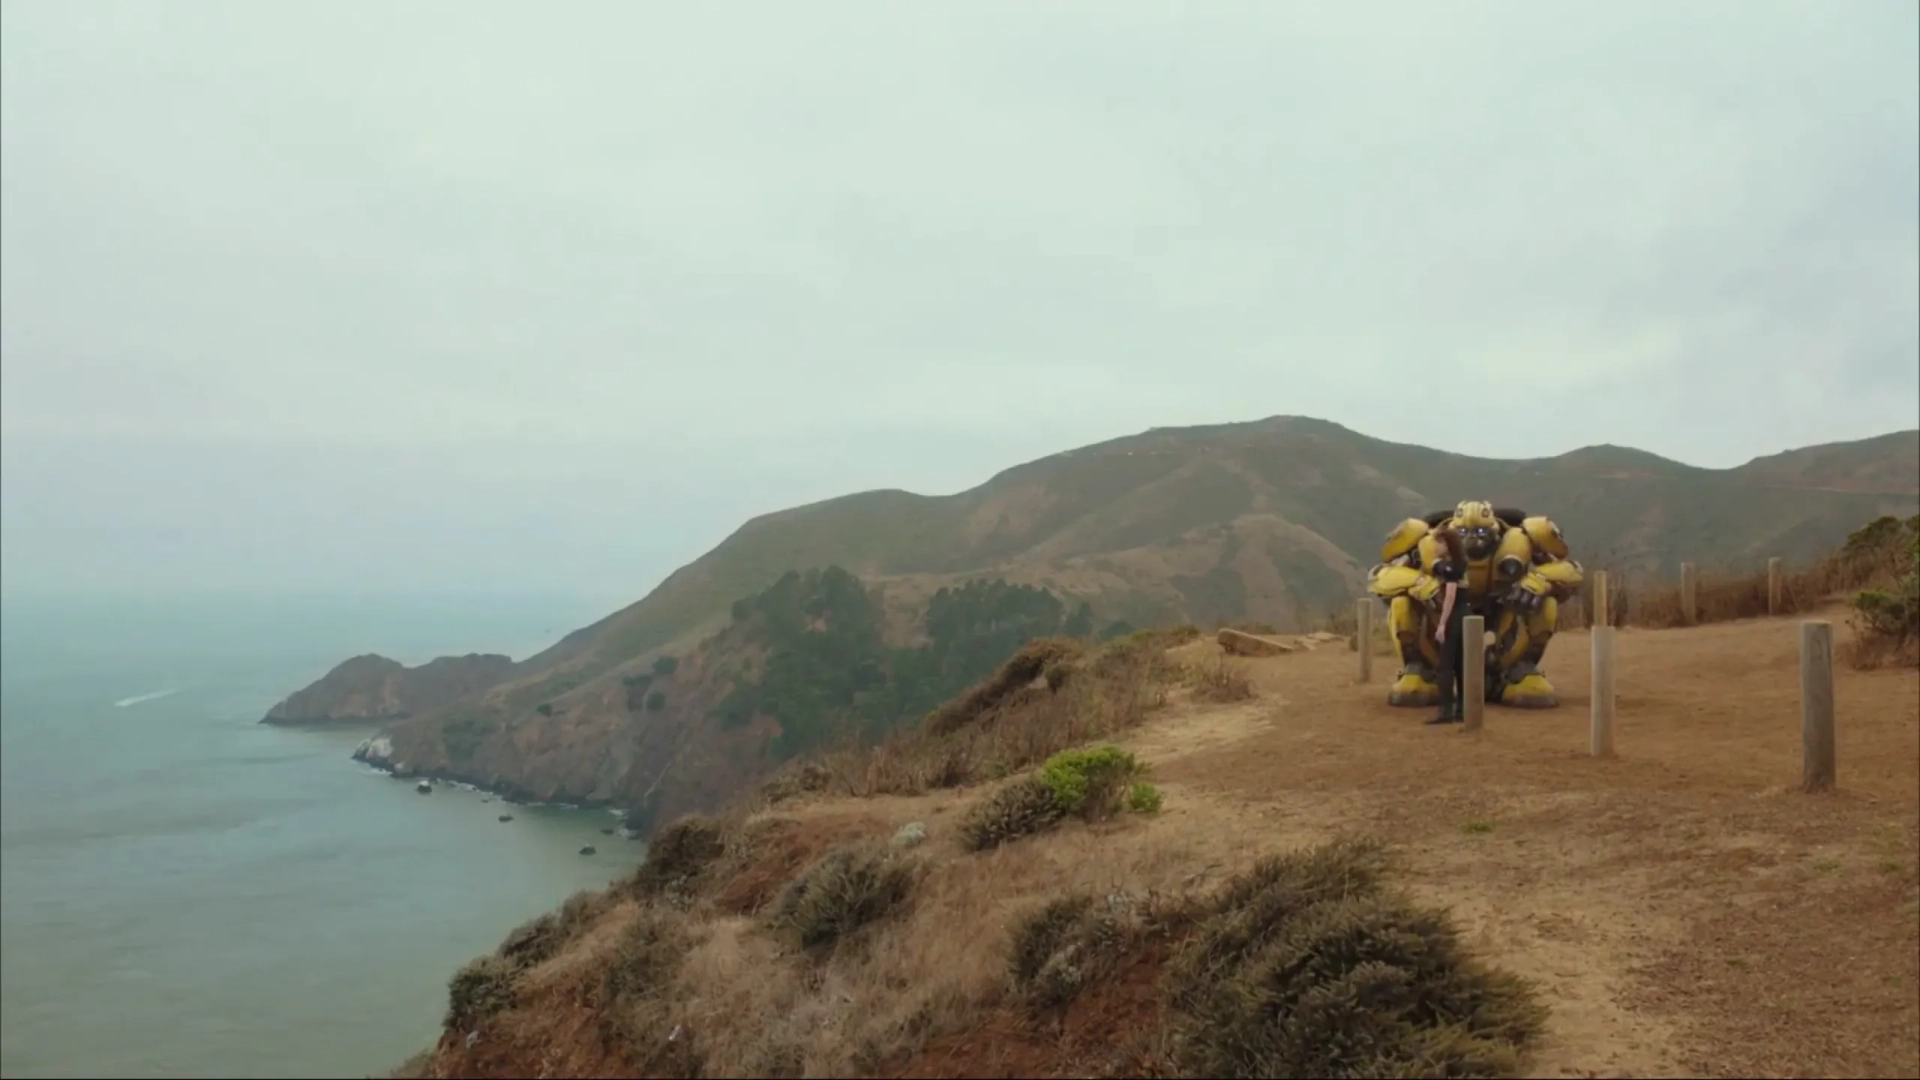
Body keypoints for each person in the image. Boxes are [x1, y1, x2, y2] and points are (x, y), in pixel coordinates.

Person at [1426, 526, 1470, 726]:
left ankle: (1445, 711)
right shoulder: (1460, 564)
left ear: (1447, 544)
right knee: (1461, 665)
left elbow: (1450, 596)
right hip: (1466, 615)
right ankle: (1462, 709)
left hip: (1455, 615)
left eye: (1439, 542)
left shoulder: (1452, 567)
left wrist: (1442, 624)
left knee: (1445, 665)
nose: (1436, 546)